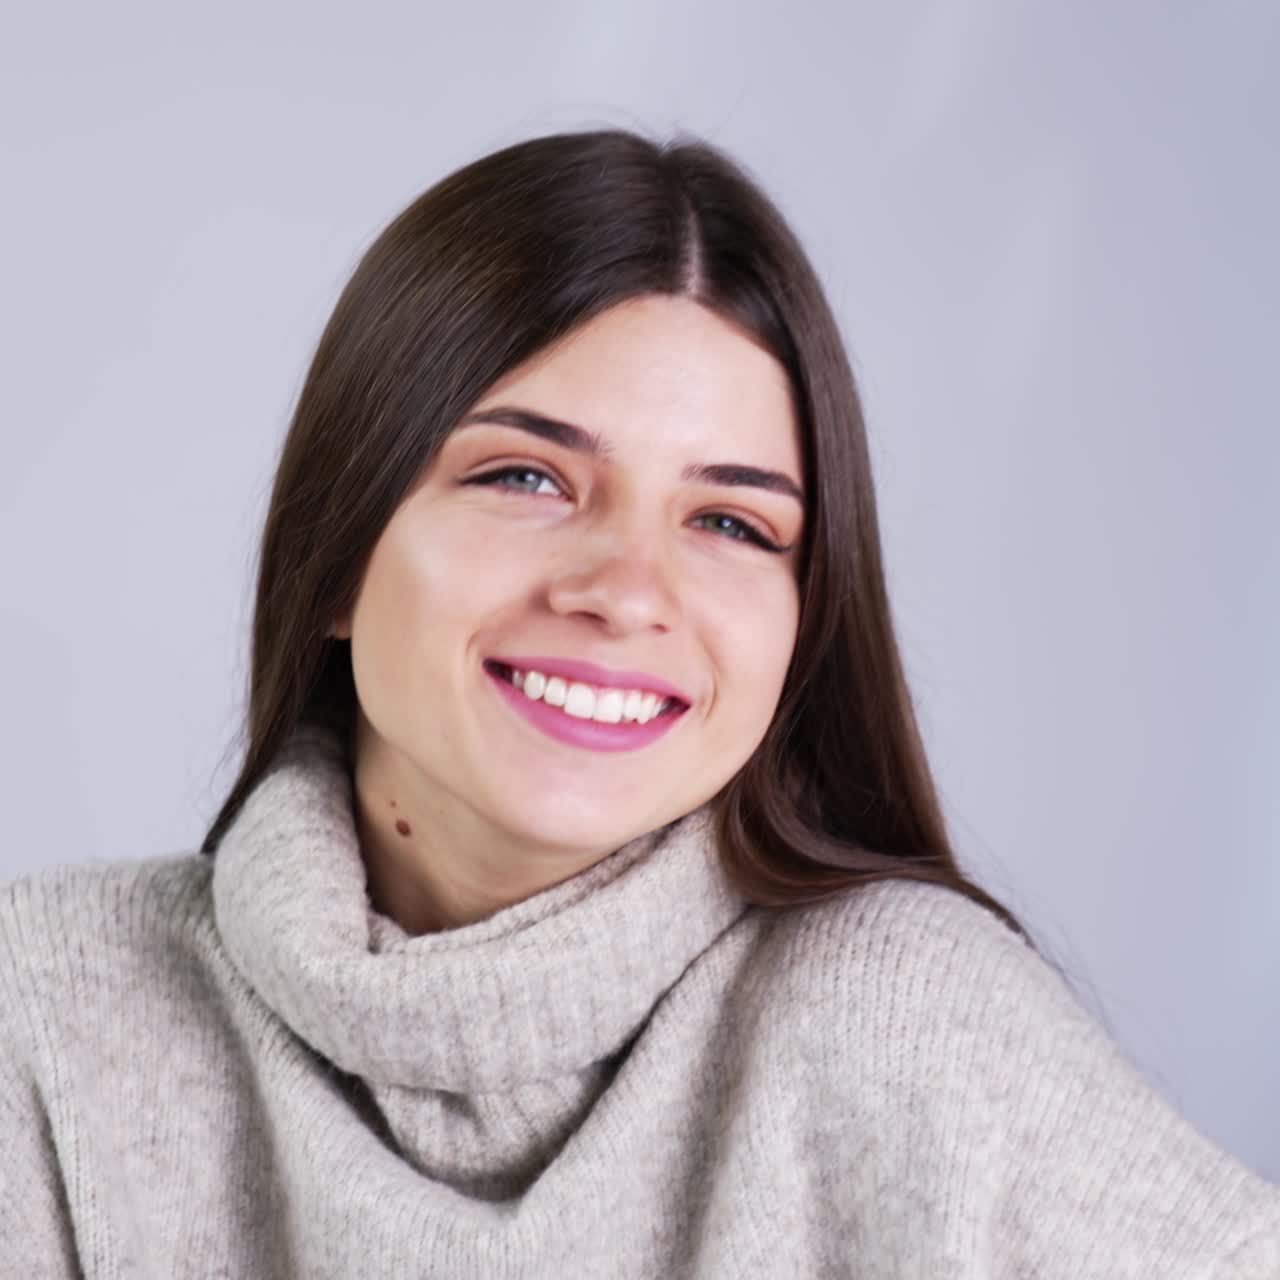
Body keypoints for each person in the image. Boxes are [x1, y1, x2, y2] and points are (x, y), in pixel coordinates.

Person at [1, 128, 1276, 1279]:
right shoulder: (49, 1007)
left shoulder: (907, 1021)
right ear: (338, 553)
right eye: (525, 476)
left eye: (728, 520)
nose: (626, 592)